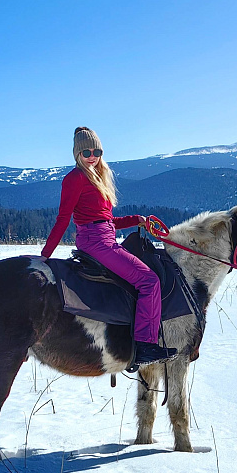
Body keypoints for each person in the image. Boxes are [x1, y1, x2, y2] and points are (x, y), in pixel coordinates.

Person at [41, 126, 177, 366]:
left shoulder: (97, 176)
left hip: (106, 238)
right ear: (77, 154)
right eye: (86, 152)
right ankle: (145, 346)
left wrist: (136, 220)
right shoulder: (74, 179)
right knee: (149, 281)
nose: (92, 156)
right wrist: (45, 255)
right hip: (97, 242)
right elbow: (64, 219)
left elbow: (106, 220)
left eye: (97, 150)